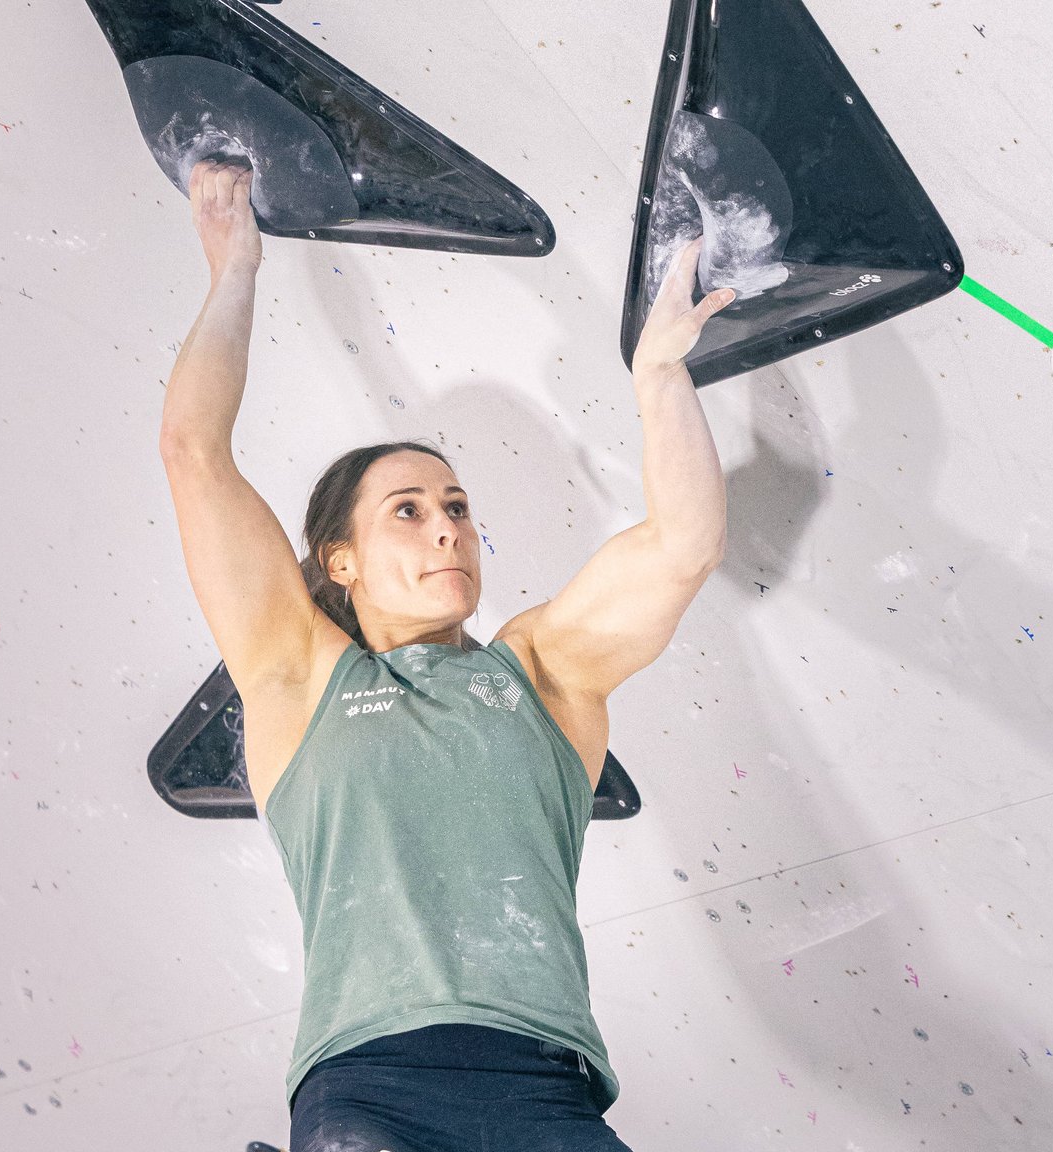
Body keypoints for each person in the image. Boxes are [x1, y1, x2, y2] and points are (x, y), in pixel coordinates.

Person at [159, 158, 735, 1152]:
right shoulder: (298, 676)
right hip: (370, 1087)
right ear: (339, 560)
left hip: (546, 1094)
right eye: (409, 510)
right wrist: (233, 274)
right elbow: (192, 452)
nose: (446, 531)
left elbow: (681, 543)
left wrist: (659, 378)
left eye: (459, 509)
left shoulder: (540, 672)